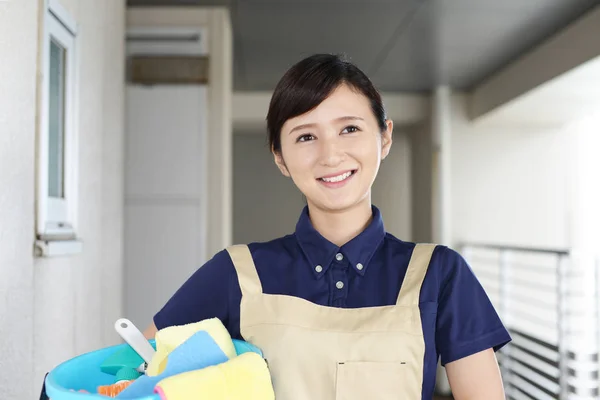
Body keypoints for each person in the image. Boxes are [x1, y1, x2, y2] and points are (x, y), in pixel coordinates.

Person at [144, 54, 511, 400]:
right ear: (280, 157)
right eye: (306, 136)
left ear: (385, 137)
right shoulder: (236, 273)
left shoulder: (439, 274)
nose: (330, 154)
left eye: (349, 128)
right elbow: (136, 368)